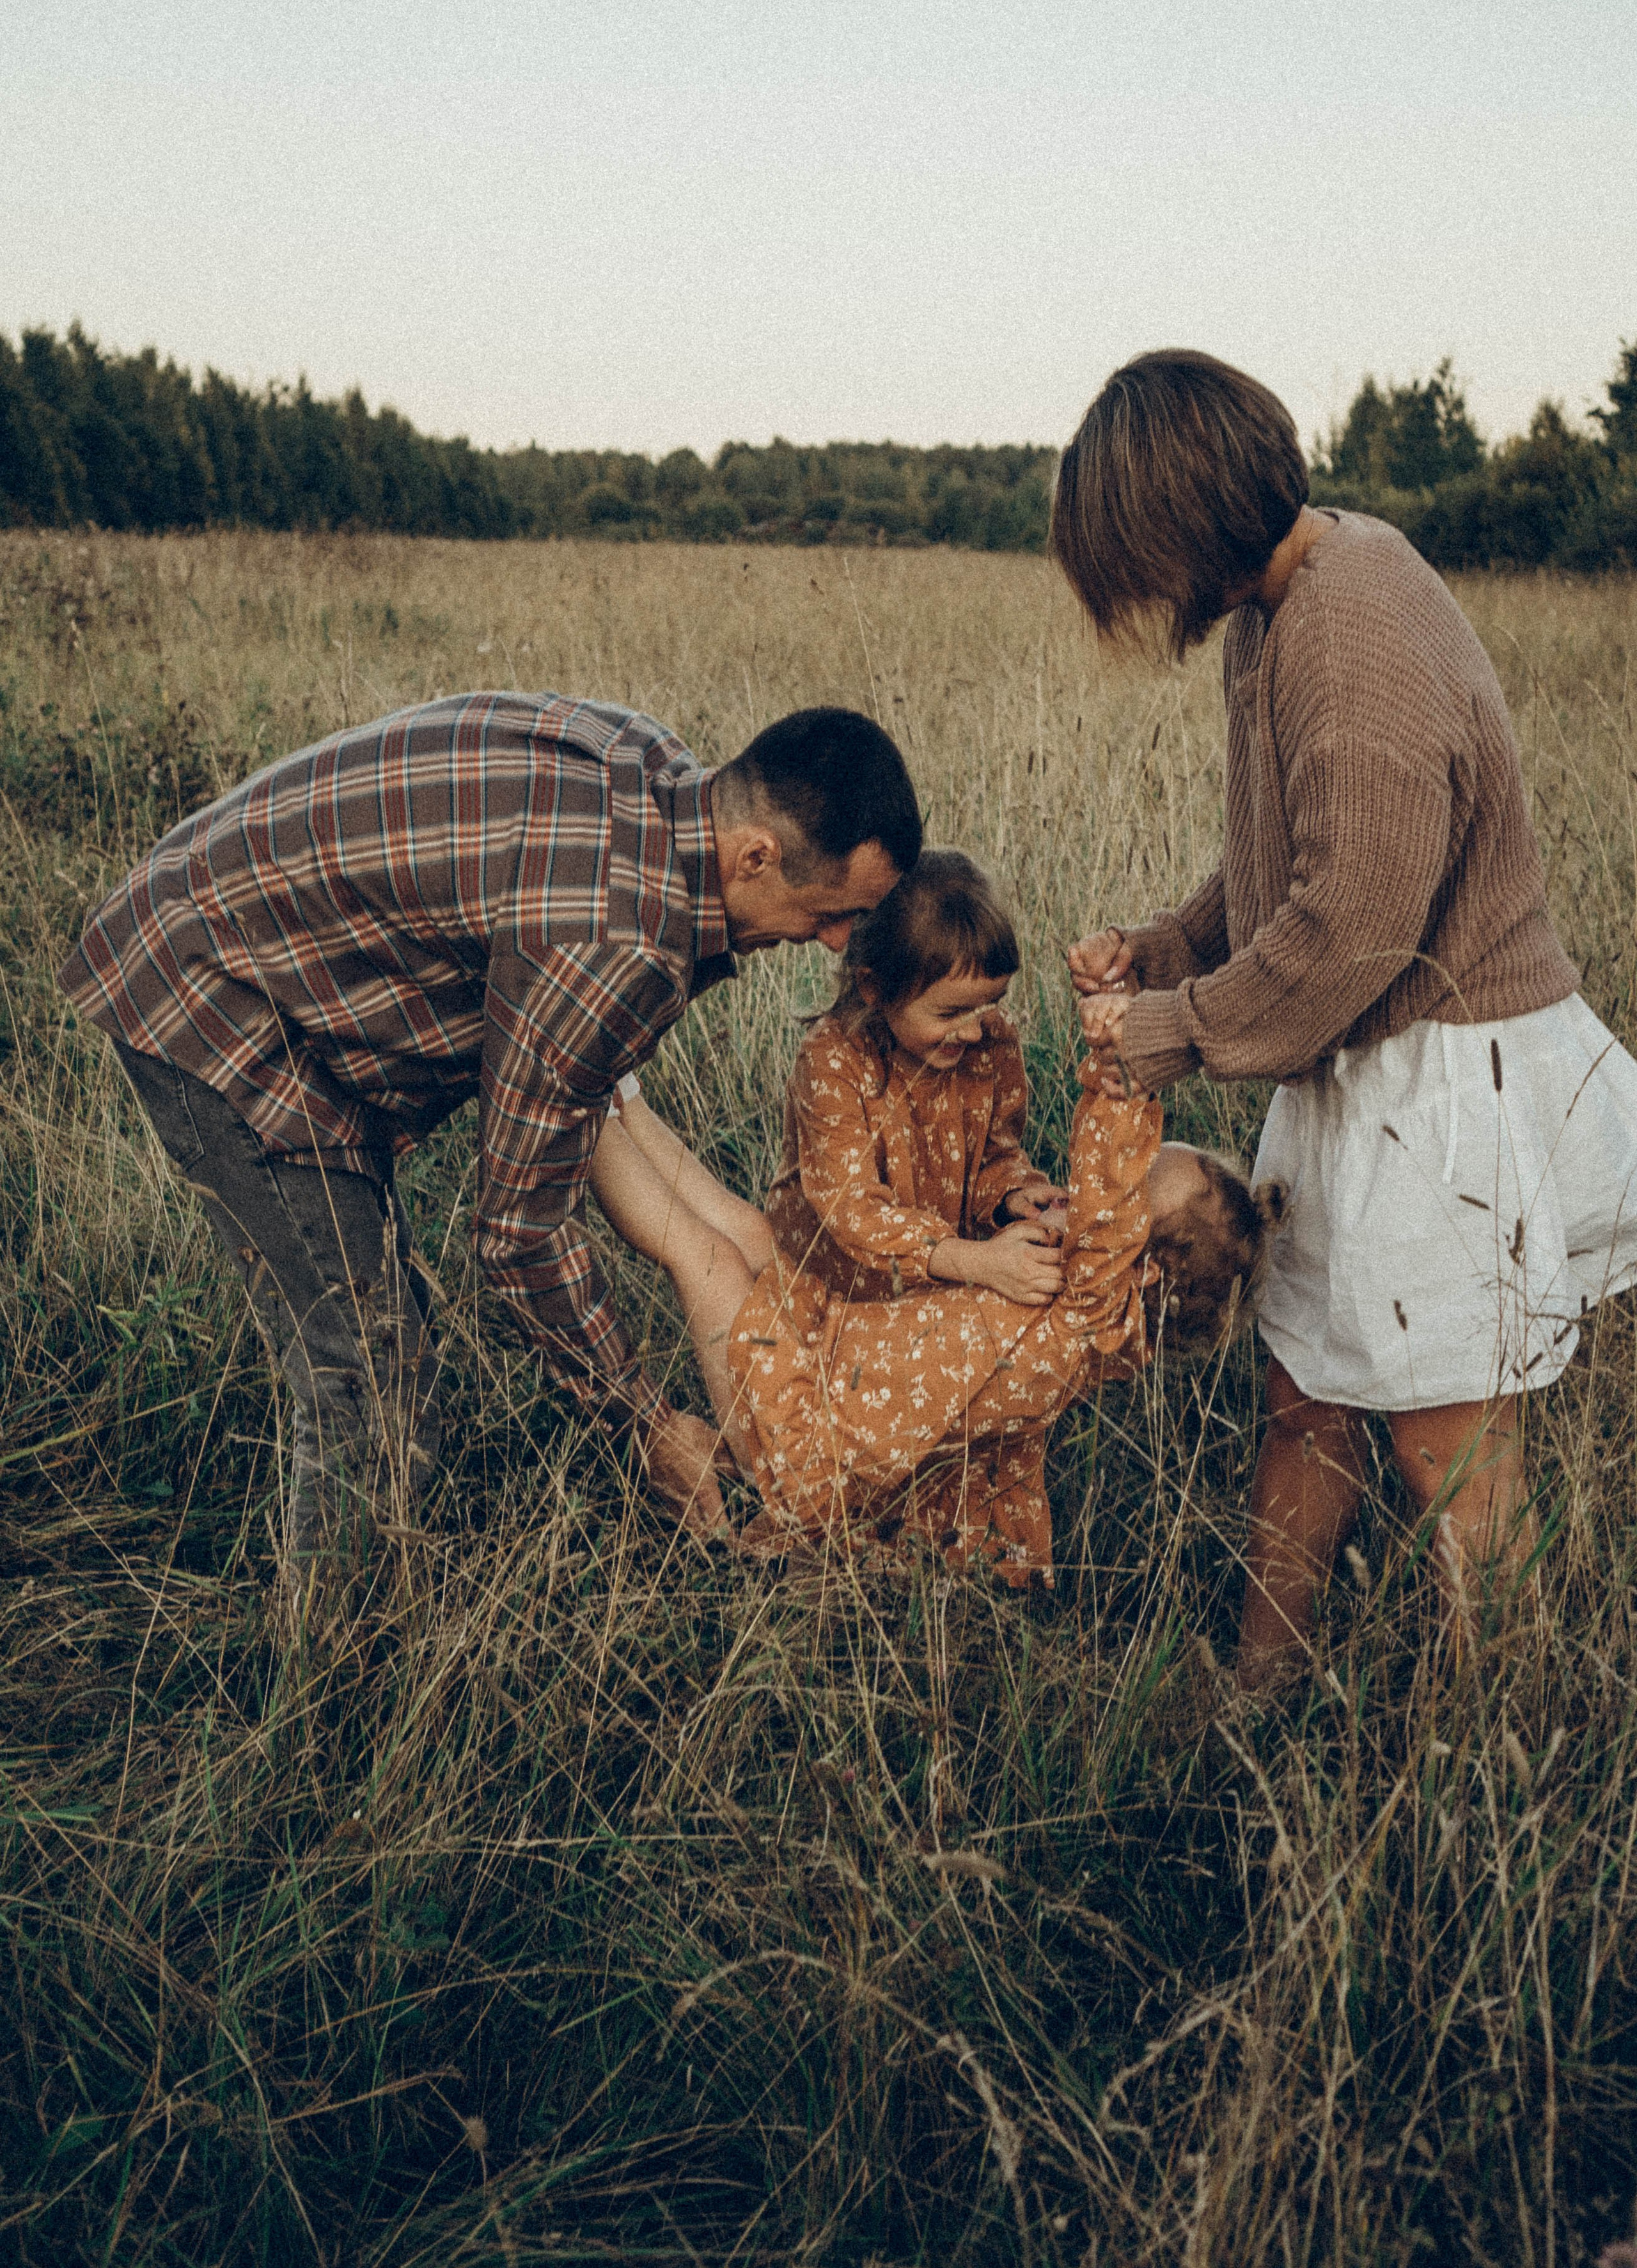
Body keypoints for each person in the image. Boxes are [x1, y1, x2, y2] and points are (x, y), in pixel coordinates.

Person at [59, 691, 921, 1622]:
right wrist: (642, 1426)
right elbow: (516, 1238)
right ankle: (322, 1685)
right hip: (209, 1000)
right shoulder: (610, 937)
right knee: (373, 1377)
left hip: (229, 928)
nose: (833, 943)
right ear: (754, 854)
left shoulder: (664, 776)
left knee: (385, 1336)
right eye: (831, 912)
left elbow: (582, 1087)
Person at [1053, 348, 1637, 1685]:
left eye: (1128, 556)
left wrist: (1169, 1029)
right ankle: (1255, 1692)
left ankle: (1503, 1755)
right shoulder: (1279, 606)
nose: (1131, 596)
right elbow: (1285, 864)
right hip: (1359, 1078)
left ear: (1177, 524)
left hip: (1436, 1082)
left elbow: (1350, 931)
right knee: (1303, 1391)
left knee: (1451, 1443)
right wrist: (1170, 946)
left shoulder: (1349, 623)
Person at [590, 854, 1278, 1586]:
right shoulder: (1082, 1298)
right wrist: (1010, 1196)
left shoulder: (1094, 1305)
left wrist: (1121, 1049)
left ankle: (564, 1101)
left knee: (703, 1258)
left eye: (1123, 1195)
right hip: (844, 1338)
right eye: (955, 1012)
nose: (978, 1031)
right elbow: (983, 1165)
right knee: (744, 1233)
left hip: (813, 1444)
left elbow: (1101, 1152)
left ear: (1134, 1260)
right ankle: (610, 1094)